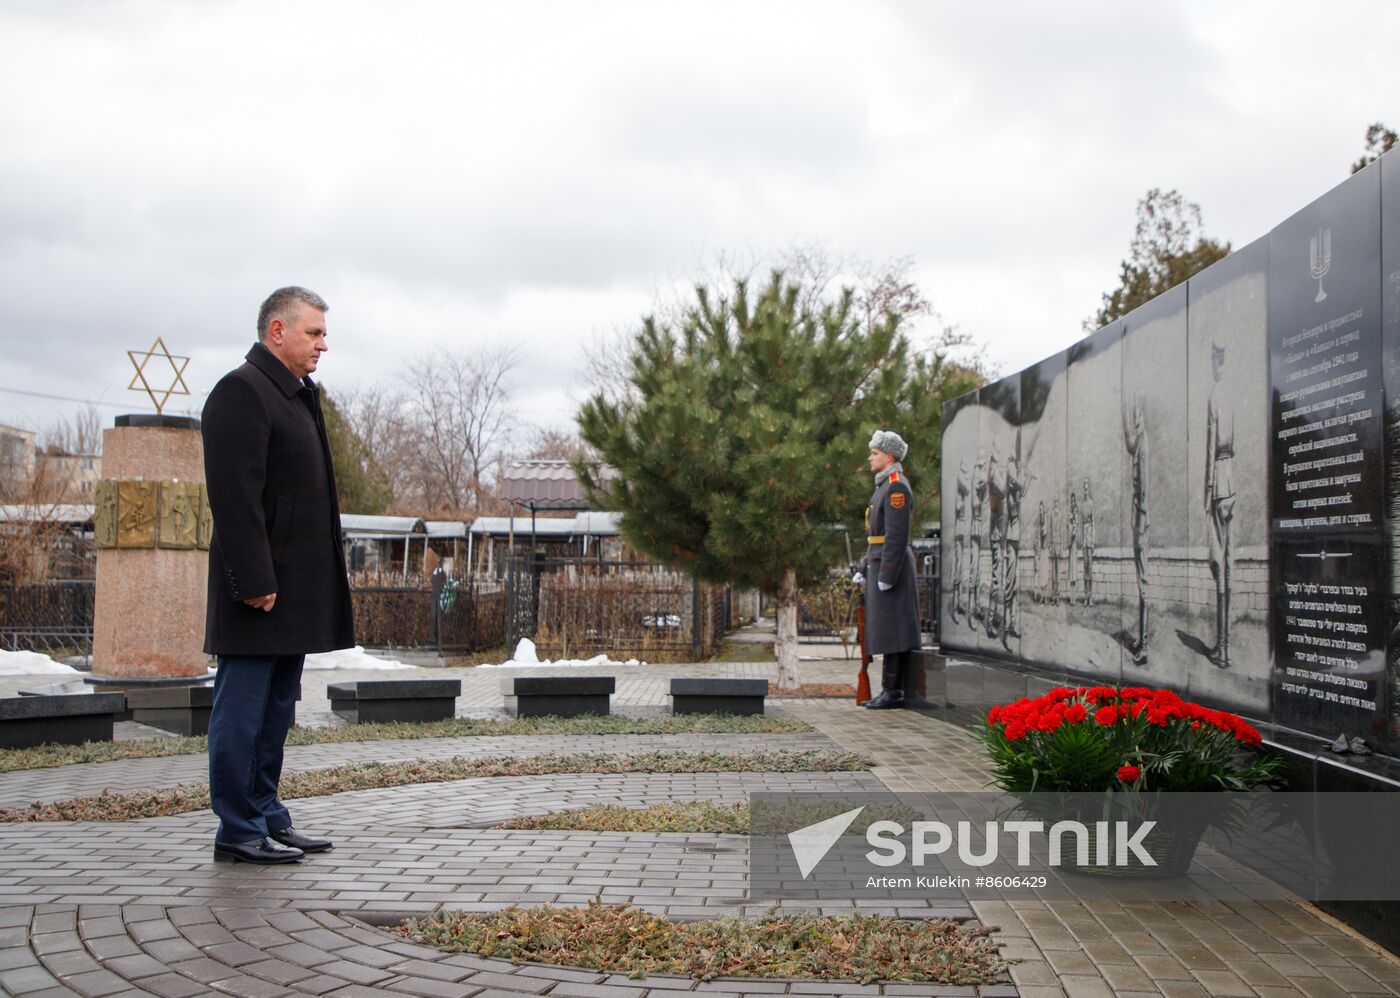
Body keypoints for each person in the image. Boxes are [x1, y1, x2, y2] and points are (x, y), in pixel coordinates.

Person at [202, 286, 355, 864]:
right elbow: (234, 496)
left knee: (275, 710)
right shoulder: (241, 391)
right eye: (313, 332)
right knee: (241, 712)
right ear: (277, 332)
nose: (322, 343)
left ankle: (265, 814)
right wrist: (255, 579)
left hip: (292, 589)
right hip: (259, 592)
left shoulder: (294, 394)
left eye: (322, 333)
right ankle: (237, 829)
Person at [854, 430, 922, 709]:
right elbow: (876, 536)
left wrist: (887, 574)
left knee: (894, 631)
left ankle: (893, 691)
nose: (870, 458)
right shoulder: (883, 484)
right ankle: (888, 689)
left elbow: (895, 536)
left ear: (889, 456)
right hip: (880, 563)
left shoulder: (896, 486)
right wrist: (865, 567)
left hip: (892, 569)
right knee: (885, 631)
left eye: (875, 453)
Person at [1205, 343, 1235, 668]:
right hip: (1233, 480)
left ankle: (1222, 649)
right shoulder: (1231, 394)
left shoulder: (1215, 395)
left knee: (1219, 565)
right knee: (1229, 566)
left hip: (1218, 482)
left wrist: (1207, 489)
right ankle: (1224, 647)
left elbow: (1211, 446)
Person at [1123, 393, 1151, 665]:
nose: (1134, 420)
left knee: (1144, 584)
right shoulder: (1138, 441)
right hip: (1138, 516)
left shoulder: (1144, 444)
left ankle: (1144, 646)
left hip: (1141, 519)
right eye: (1132, 416)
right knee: (1140, 581)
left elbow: (1144, 489)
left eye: (1136, 415)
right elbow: (1128, 441)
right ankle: (1141, 640)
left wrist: (1141, 521)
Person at [1081, 478, 1095, 607]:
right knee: (1085, 570)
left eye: (1087, 488)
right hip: (1084, 541)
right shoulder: (1082, 505)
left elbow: (1093, 522)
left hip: (1090, 539)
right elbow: (1081, 524)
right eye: (1084, 489)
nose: (1085, 491)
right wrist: (1082, 541)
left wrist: (1093, 541)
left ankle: (1090, 597)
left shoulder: (1091, 503)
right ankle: (1085, 597)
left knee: (1090, 570)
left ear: (1089, 489)